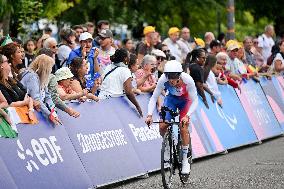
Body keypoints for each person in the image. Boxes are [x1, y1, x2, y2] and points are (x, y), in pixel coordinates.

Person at [145, 60, 198, 175]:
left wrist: (187, 116)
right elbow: (154, 98)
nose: (171, 80)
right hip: (171, 100)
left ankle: (185, 160)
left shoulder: (188, 80)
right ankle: (168, 147)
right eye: (169, 76)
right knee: (162, 126)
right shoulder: (163, 79)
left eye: (174, 76)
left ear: (179, 75)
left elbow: (195, 101)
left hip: (186, 101)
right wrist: (149, 114)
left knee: (183, 126)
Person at [98, 48, 143, 116]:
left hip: (101, 99)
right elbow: (128, 92)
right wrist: (137, 106)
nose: (129, 57)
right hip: (112, 102)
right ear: (125, 58)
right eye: (128, 56)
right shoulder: (125, 70)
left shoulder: (109, 66)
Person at [20, 54, 61, 125]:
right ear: (45, 68)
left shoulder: (40, 77)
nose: (51, 70)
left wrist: (53, 113)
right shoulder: (32, 76)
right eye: (50, 68)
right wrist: (49, 114)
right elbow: (36, 99)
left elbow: (47, 96)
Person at [0, 54, 35, 121]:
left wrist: (30, 110)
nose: (9, 63)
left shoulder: (12, 79)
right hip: (15, 118)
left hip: (25, 115)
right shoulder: (1, 85)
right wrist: (24, 102)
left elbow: (28, 95)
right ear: (1, 65)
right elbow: (8, 104)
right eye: (7, 61)